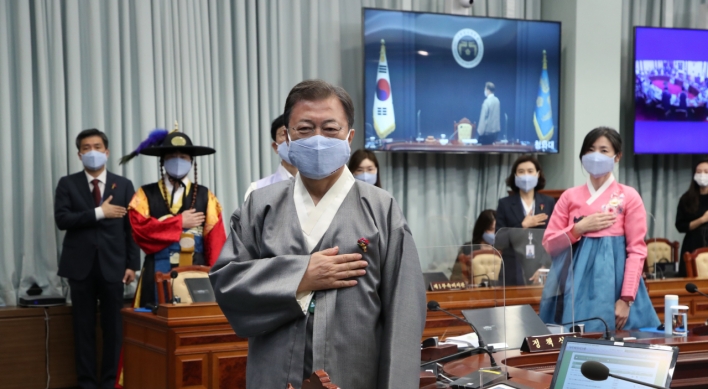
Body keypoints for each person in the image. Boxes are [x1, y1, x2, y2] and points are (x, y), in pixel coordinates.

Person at [210, 79, 425, 389]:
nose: (318, 139)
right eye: (305, 129)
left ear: (349, 137)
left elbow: (405, 314)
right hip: (274, 375)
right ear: (287, 138)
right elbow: (227, 283)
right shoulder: (260, 205)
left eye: (330, 129)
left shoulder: (381, 209)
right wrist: (301, 276)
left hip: (356, 376)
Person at [540, 127, 660, 332]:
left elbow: (637, 251)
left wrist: (626, 299)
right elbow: (550, 244)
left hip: (616, 285)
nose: (596, 155)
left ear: (617, 156)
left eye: (604, 150)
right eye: (591, 149)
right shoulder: (569, 196)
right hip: (573, 286)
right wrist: (578, 229)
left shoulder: (629, 196)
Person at [54, 129, 140, 389]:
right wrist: (98, 213)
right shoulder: (67, 184)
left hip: (114, 266)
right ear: (79, 154)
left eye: (98, 146)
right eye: (87, 147)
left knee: (114, 330)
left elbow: (131, 228)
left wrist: (132, 265)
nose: (93, 151)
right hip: (79, 267)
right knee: (83, 330)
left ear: (107, 151)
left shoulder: (123, 184)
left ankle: (109, 383)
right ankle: (87, 383)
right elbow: (62, 220)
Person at [122, 127, 227, 307]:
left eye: (183, 157)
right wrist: (180, 223)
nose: (177, 161)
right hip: (156, 270)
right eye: (171, 157)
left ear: (191, 161)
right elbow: (140, 231)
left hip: (196, 272)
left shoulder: (205, 196)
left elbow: (216, 241)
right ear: (162, 161)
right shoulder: (144, 194)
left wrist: (216, 277)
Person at [495, 155, 555, 285]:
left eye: (530, 171)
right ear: (515, 176)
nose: (526, 175)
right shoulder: (505, 204)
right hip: (513, 270)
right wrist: (522, 225)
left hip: (542, 268)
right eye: (521, 172)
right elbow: (499, 241)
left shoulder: (548, 203)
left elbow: (553, 238)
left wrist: (545, 266)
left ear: (538, 174)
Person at [244, 114, 298, 201]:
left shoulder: (322, 186)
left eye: (296, 132)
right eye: (283, 134)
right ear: (275, 147)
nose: (290, 139)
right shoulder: (257, 190)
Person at [675, 159, 708, 277]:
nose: (702, 175)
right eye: (699, 172)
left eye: (706, 172)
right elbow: (680, 225)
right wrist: (702, 220)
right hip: (692, 244)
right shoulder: (687, 198)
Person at [450, 210, 496, 282]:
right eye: (491, 229)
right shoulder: (467, 249)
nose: (494, 233)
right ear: (481, 228)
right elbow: (456, 278)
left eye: (497, 229)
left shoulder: (503, 250)